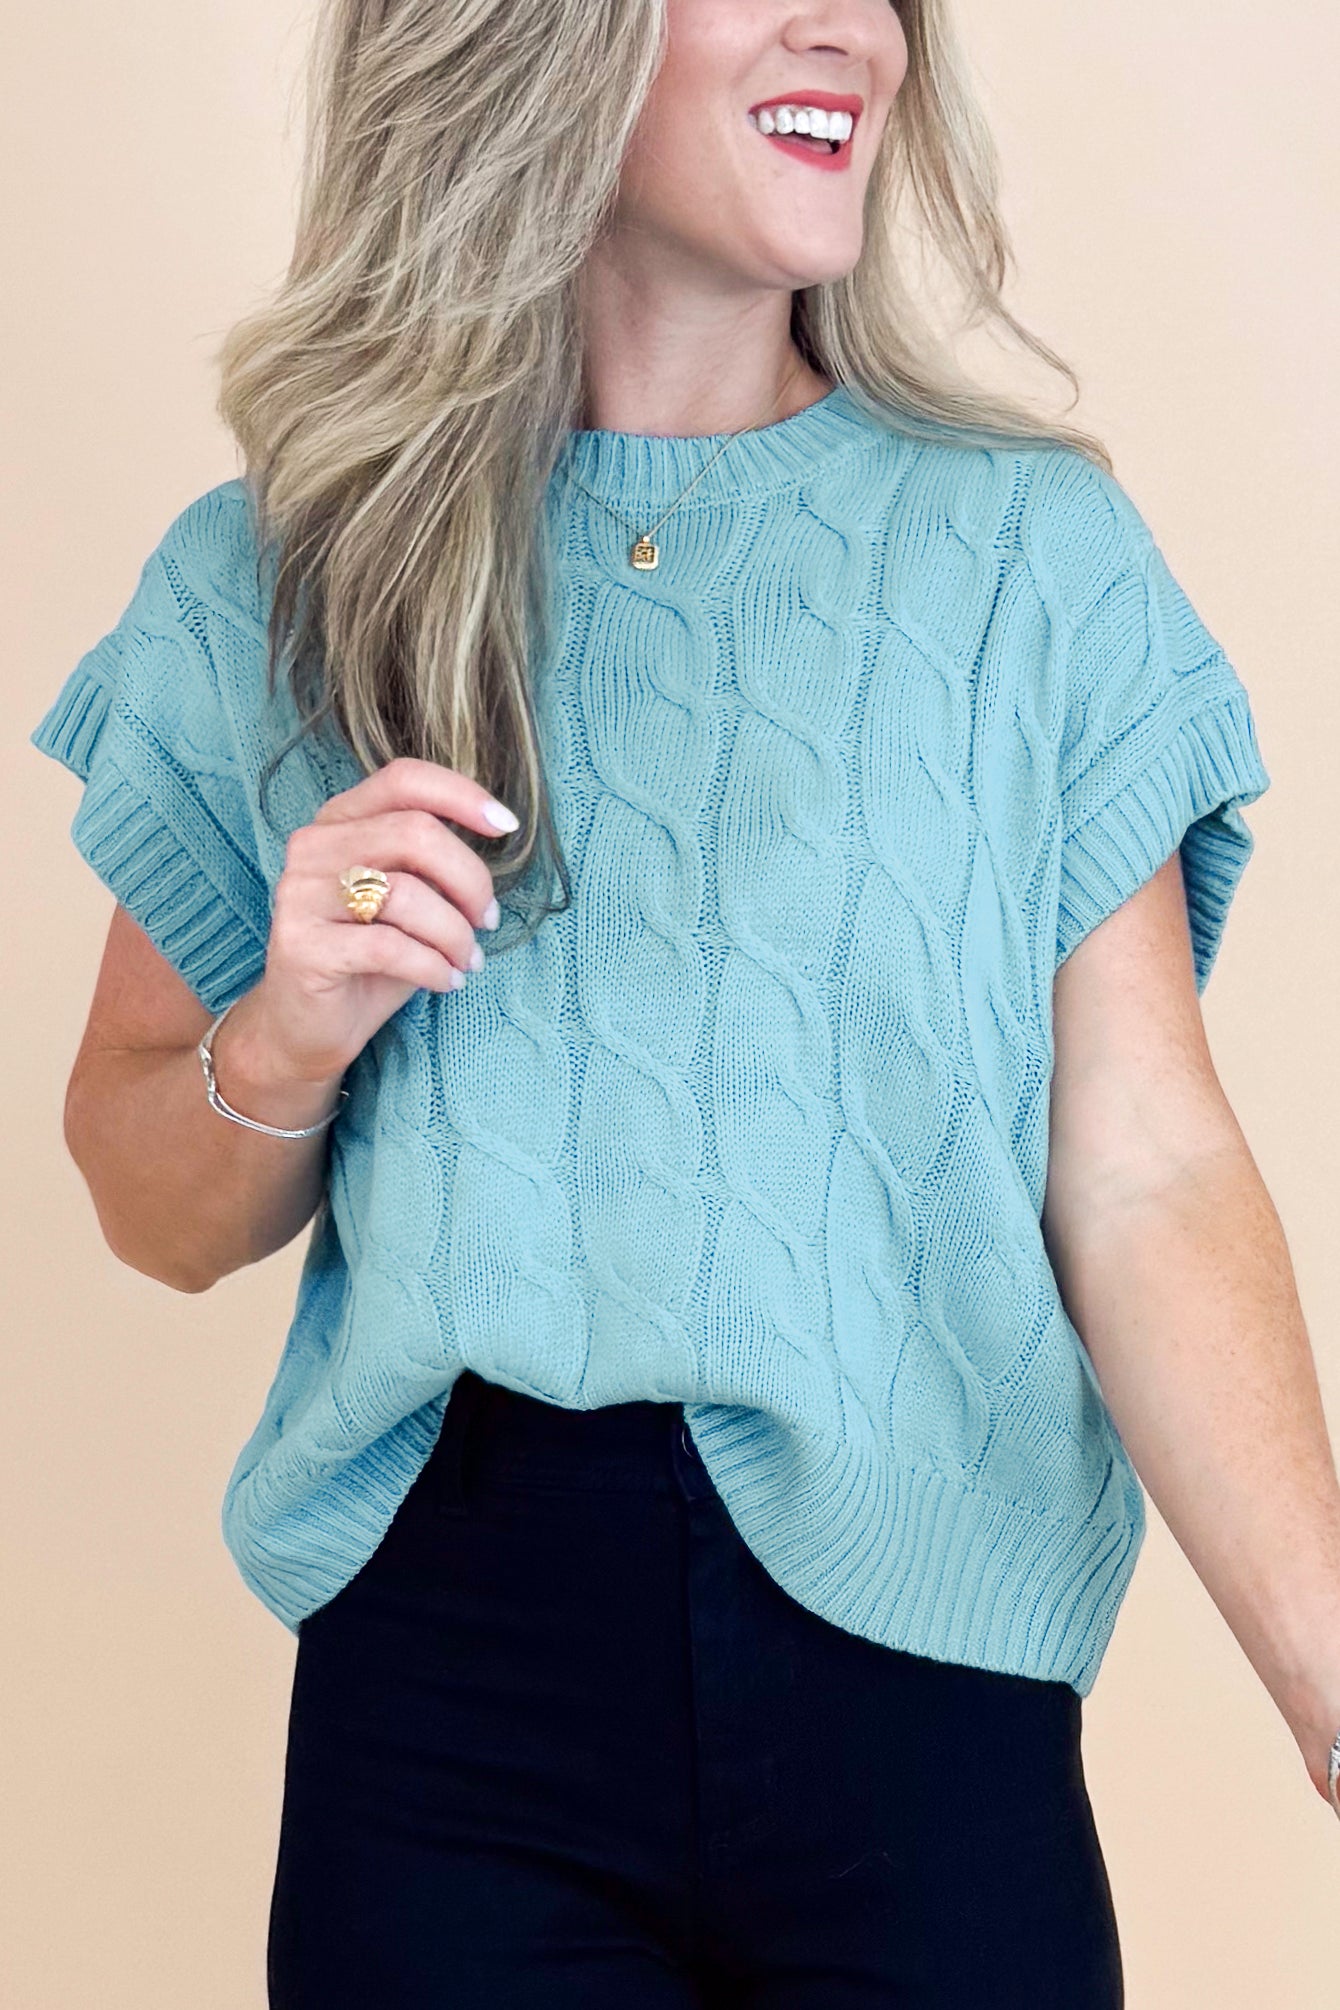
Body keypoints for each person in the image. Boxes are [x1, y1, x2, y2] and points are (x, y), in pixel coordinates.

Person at [28, 1, 1340, 2004]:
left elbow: (1145, 1167)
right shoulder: (290, 573)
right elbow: (149, 1199)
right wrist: (288, 1028)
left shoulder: (1028, 561)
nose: (850, 30)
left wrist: (1330, 1679)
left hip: (930, 1680)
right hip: (449, 1705)